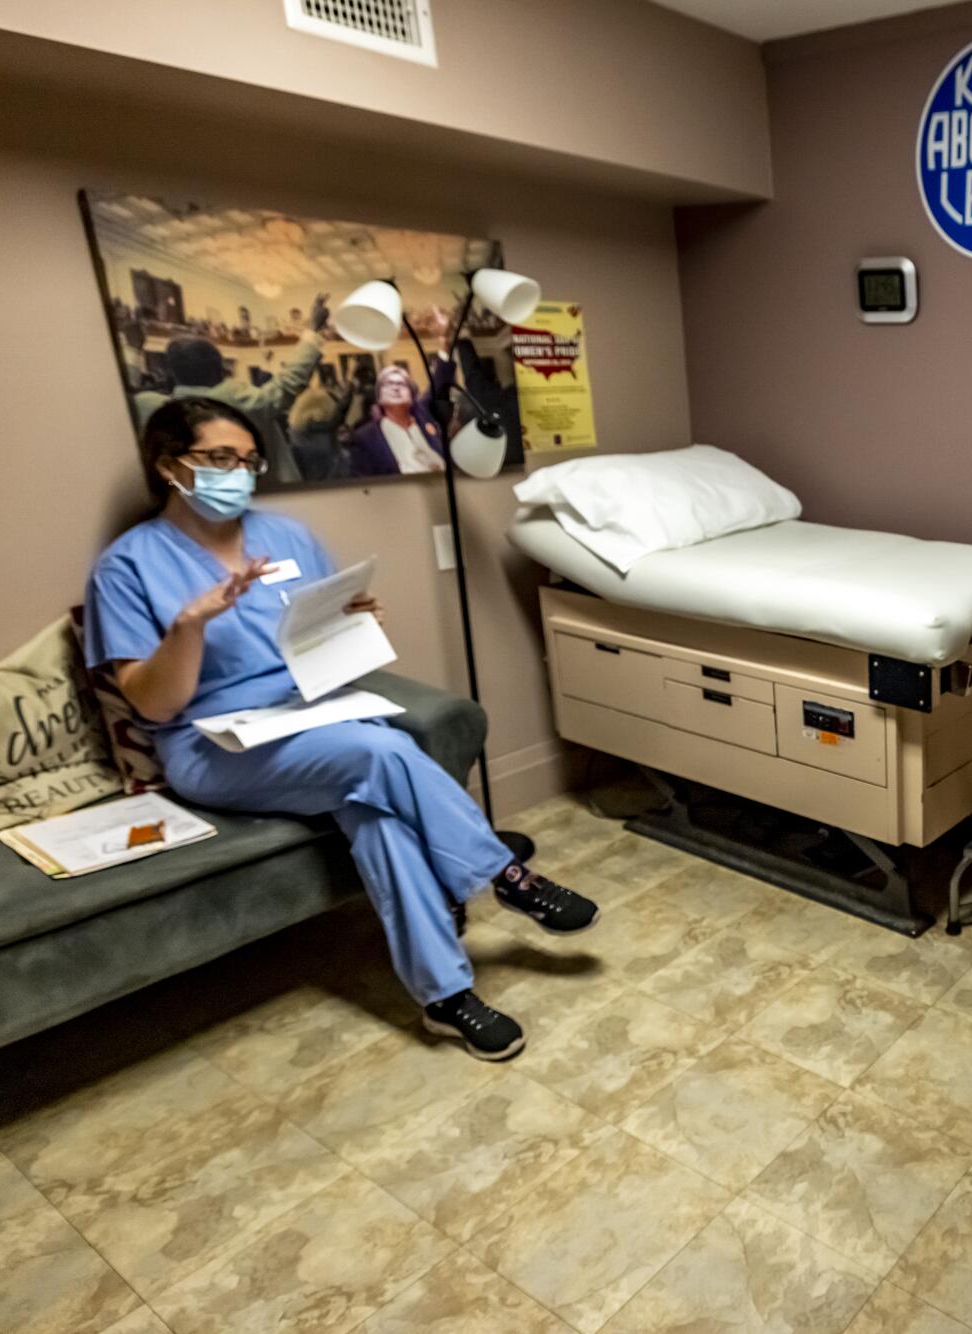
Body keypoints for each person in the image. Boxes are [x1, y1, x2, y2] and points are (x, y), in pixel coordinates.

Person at [84, 398, 601, 1060]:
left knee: (375, 810)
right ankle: (505, 874)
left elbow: (315, 650)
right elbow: (154, 708)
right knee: (381, 750)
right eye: (218, 459)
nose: (237, 473)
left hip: (309, 716)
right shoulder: (128, 567)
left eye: (248, 460)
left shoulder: (289, 537)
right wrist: (189, 627)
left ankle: (445, 999)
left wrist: (349, 625)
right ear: (168, 467)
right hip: (212, 745)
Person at [133, 292, 332, 487]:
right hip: (268, 500)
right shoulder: (233, 402)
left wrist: (134, 348)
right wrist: (312, 329)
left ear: (172, 372)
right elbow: (288, 383)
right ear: (218, 368)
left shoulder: (150, 409)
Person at [347, 361, 451, 477]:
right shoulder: (365, 437)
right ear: (379, 397)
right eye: (388, 384)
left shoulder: (423, 415)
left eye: (401, 384)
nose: (395, 388)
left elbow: (440, 383)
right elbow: (365, 485)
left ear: (412, 394)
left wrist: (445, 351)